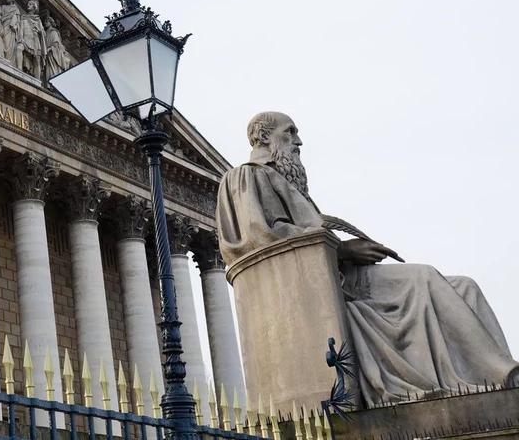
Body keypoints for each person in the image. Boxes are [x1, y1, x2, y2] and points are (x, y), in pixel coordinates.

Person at [217, 111, 518, 405]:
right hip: (327, 284)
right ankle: (503, 374)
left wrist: (348, 250)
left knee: (465, 287)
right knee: (424, 277)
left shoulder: (279, 178)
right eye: (290, 131)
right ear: (264, 136)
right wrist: (344, 250)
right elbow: (264, 237)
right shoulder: (244, 176)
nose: (299, 142)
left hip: (339, 270)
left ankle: (497, 384)